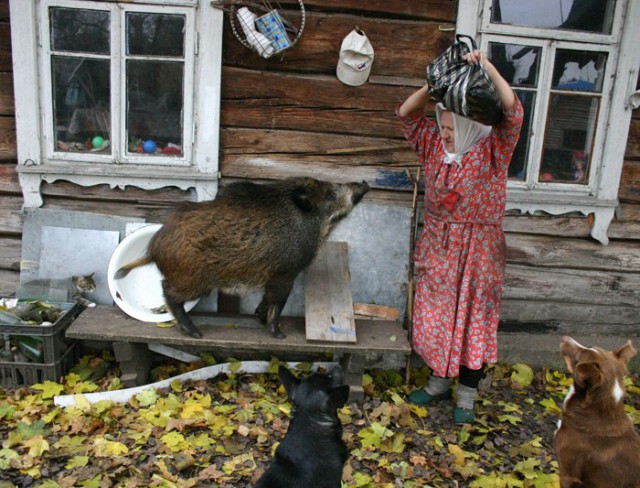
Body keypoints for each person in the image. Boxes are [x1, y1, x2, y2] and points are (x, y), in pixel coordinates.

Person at [397, 49, 523, 424]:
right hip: (438, 244)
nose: (445, 133)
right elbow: (406, 114)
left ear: (471, 125)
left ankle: (466, 395)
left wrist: (486, 67)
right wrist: (438, 84)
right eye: (443, 125)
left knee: (471, 321)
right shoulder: (434, 146)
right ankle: (438, 381)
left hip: (479, 251)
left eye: (452, 128)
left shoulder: (492, 151)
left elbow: (513, 112)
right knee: (437, 316)